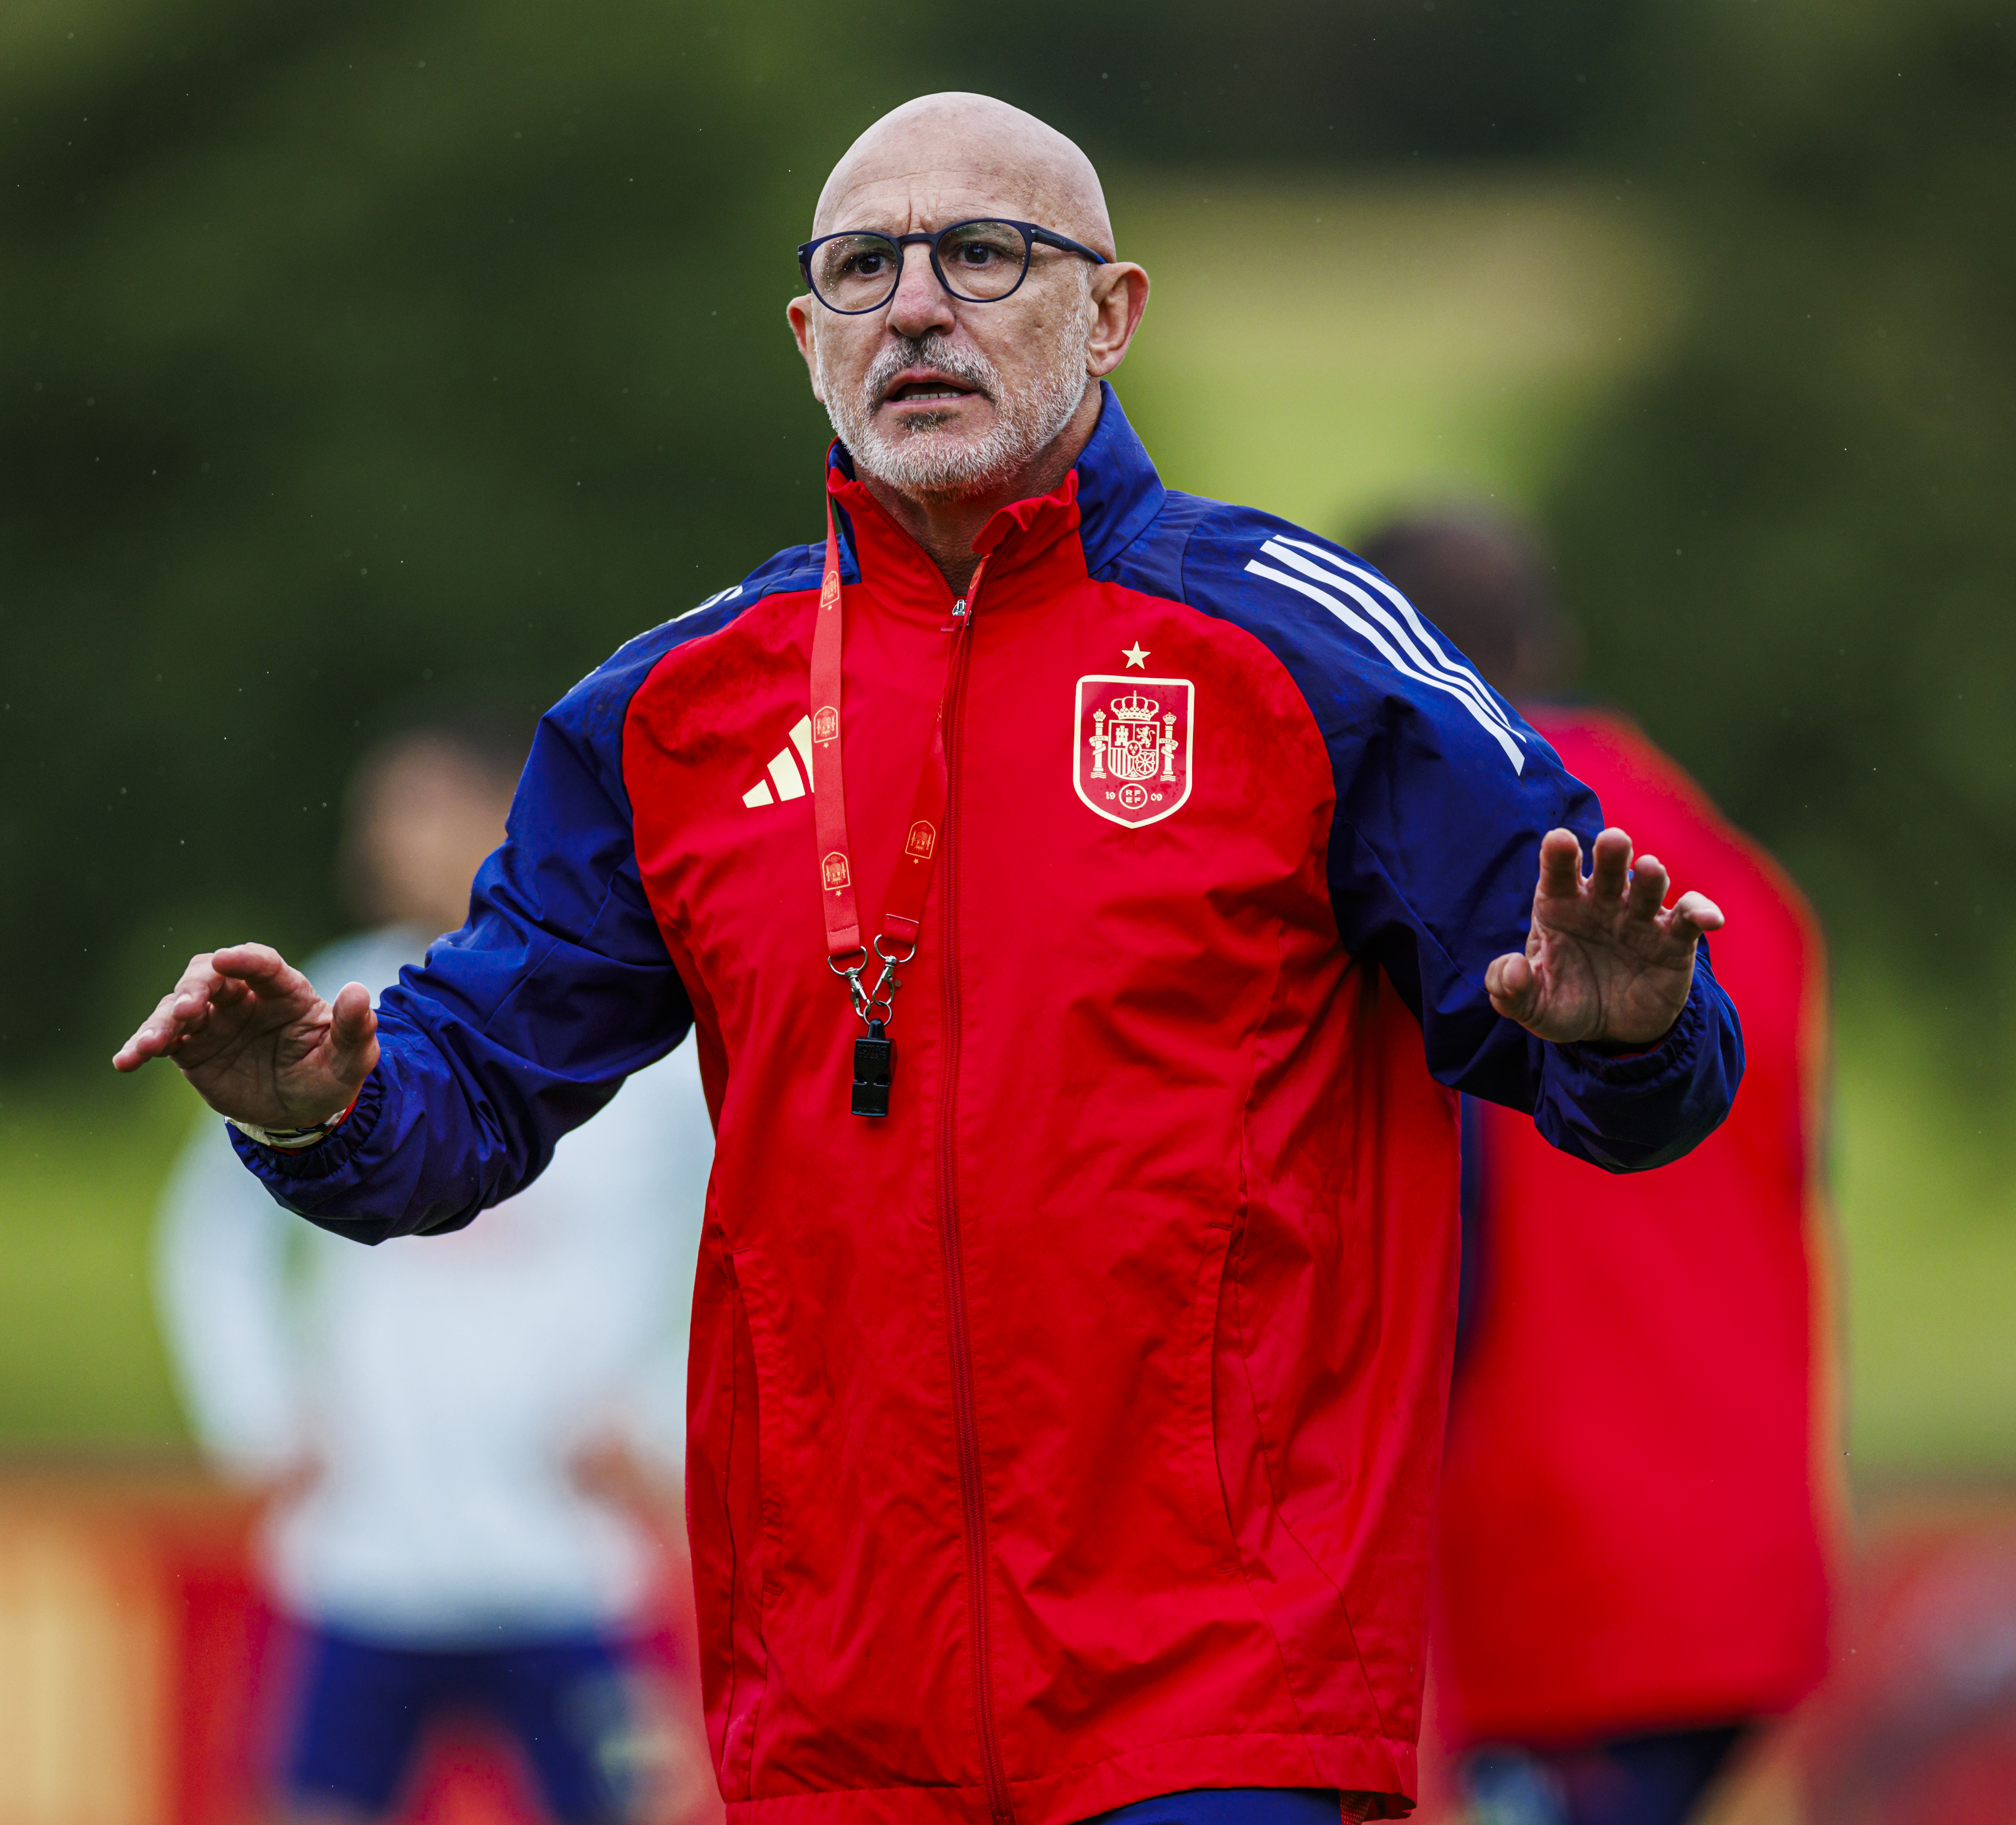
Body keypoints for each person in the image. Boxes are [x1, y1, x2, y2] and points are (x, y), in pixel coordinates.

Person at [118, 94, 1746, 1825]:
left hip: (1212, 1702)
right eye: (860, 267)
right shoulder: (674, 710)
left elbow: (1620, 1056)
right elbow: (471, 1083)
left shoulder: (1298, 650)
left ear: (1110, 313)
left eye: (981, 254)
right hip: (830, 1715)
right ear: (806, 338)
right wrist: (321, 1108)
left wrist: (1628, 1034)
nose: (914, 306)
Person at [1356, 514, 1834, 1825]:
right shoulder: (1732, 876)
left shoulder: (1457, 877)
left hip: (1550, 1584)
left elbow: (1437, 1260)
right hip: (1735, 1563)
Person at [154, 720, 713, 1825]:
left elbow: (743, 1228)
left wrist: (653, 1419)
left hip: (569, 1551)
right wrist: (262, 1415)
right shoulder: (330, 1007)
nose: (387, 841)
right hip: (367, 1550)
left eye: (419, 808)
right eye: (380, 817)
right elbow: (211, 1232)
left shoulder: (629, 1018)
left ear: (508, 817)